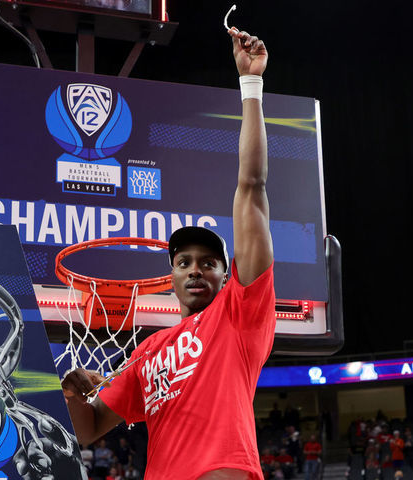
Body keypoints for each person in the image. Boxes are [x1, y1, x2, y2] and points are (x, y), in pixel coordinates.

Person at [62, 25, 274, 480]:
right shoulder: (149, 350)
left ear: (224, 275)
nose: (195, 270)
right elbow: (90, 430)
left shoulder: (240, 314)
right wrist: (71, 393)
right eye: (183, 263)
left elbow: (252, 187)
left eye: (208, 263)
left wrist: (250, 85)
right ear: (170, 277)